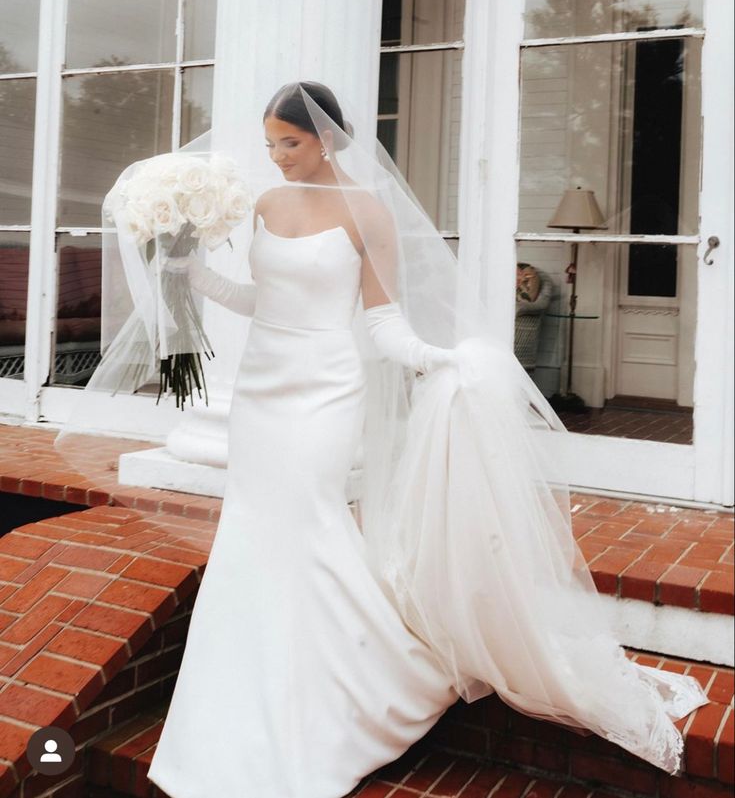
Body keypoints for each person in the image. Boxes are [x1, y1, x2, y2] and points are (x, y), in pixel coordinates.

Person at [63, 81, 707, 798]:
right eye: (270, 143)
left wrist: (434, 357)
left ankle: (357, 693)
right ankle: (240, 709)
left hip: (325, 393)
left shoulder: (367, 213)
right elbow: (261, 300)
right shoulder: (268, 206)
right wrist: (192, 274)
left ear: (327, 138)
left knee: (309, 526)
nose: (276, 157)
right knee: (252, 532)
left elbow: (378, 320)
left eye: (290, 143)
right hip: (260, 395)